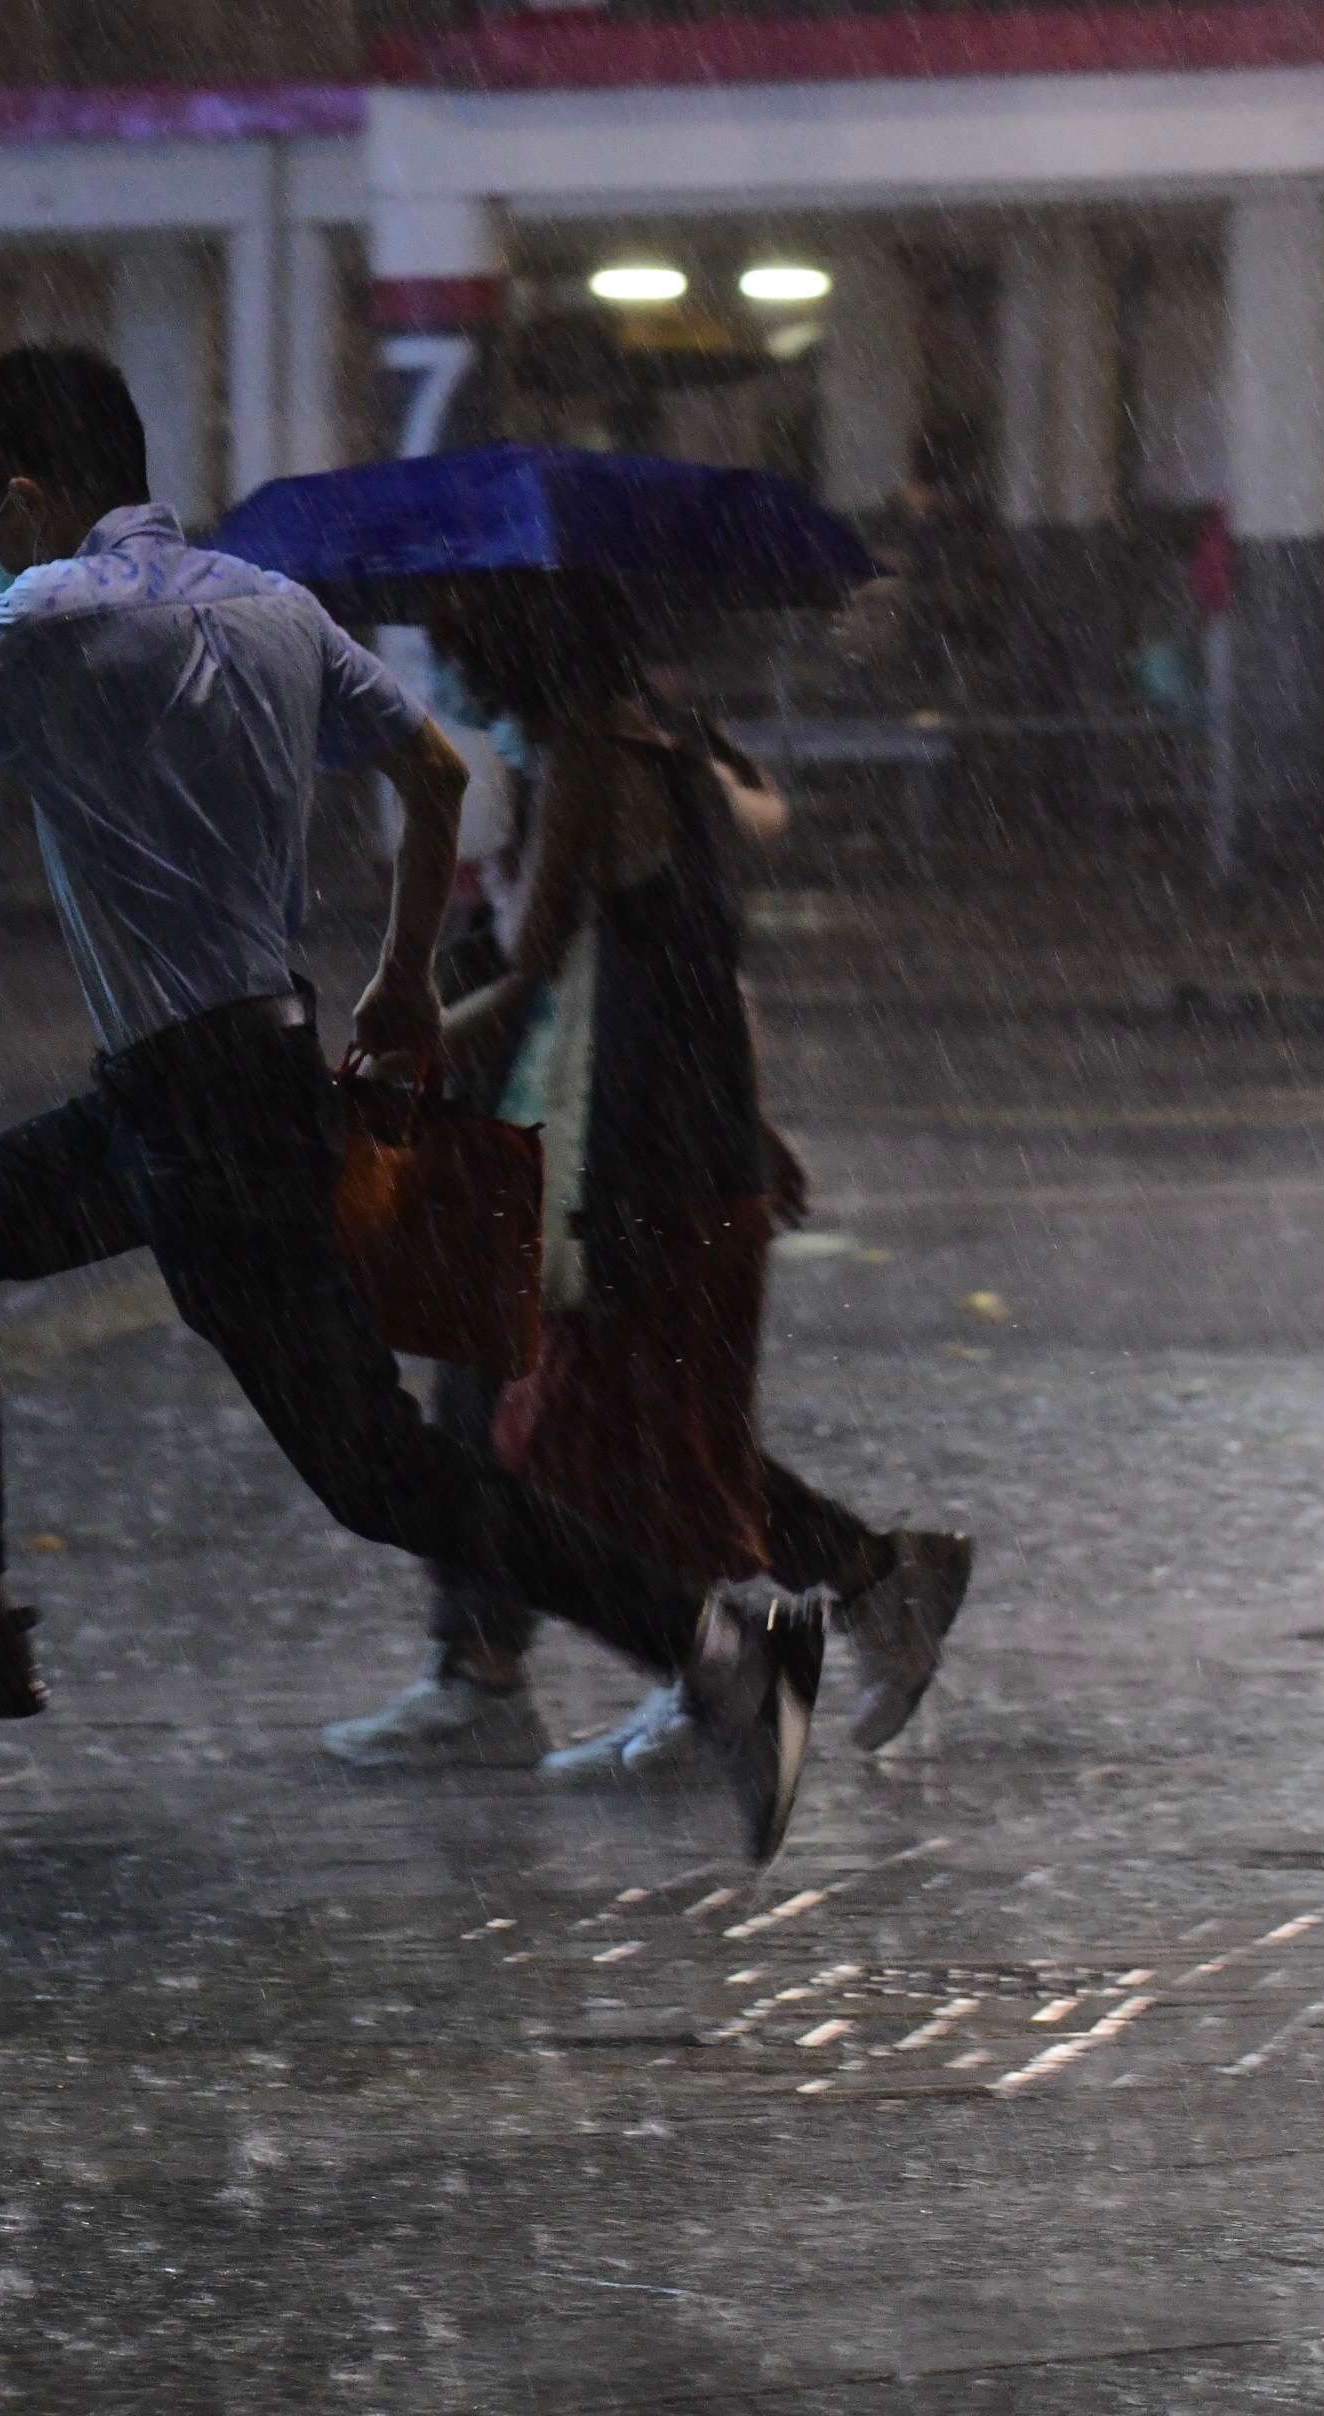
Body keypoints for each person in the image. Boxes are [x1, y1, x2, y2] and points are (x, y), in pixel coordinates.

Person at [0, 346, 827, 1862]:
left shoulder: (37, 608)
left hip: (192, 1118)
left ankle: (723, 1650)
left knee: (385, 1475)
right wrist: (406, 972)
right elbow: (432, 769)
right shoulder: (272, 608)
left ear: (24, 498)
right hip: (223, 1083)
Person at [318, 576, 970, 1779]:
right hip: (651, 1127)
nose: (446, 674)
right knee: (637, 1425)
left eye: (460, 649)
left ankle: (724, 1663)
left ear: (516, 654)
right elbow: (692, 953)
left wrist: (393, 1050)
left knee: (589, 1432)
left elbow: (532, 962)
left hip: (623, 1139)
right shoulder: (650, 752)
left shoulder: (586, 760)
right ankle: (849, 1597)